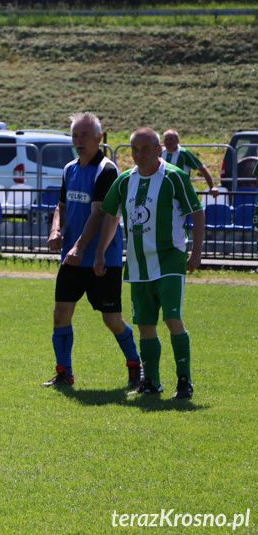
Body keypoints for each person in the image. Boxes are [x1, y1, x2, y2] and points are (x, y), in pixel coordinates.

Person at [95, 128, 205, 400]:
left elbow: (198, 213)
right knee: (145, 324)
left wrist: (196, 253)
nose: (138, 154)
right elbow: (110, 217)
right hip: (137, 264)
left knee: (171, 318)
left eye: (145, 149)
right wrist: (100, 253)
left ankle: (184, 381)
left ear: (159, 150)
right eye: (134, 149)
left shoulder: (173, 177)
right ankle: (152, 383)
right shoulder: (124, 181)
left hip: (170, 259)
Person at [44, 112, 143, 388]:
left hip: (103, 258)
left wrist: (79, 246)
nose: (79, 140)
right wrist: (55, 231)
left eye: (85, 135)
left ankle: (136, 365)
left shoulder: (107, 170)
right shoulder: (69, 169)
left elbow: (100, 213)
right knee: (60, 314)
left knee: (112, 319)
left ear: (99, 138)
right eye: (75, 135)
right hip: (73, 258)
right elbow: (61, 207)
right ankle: (64, 373)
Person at [161, 130, 219, 198]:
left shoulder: (184, 153)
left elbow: (202, 168)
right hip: (163, 190)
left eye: (171, 139)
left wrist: (212, 187)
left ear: (177, 140)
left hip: (181, 191)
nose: (168, 142)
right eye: (166, 139)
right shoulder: (159, 152)